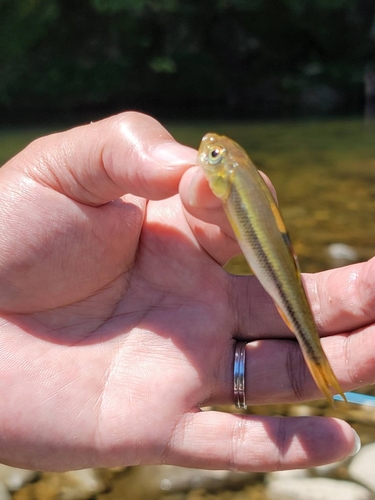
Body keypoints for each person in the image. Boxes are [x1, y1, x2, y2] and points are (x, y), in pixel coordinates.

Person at [0, 111, 369, 473]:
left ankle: (321, 368)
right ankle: (321, 368)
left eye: (213, 157)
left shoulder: (231, 185)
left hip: (275, 268)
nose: (204, 153)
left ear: (223, 177)